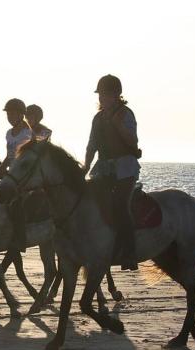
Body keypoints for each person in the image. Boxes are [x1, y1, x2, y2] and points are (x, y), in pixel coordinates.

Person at [83, 75, 141, 271]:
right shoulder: (97, 118)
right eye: (100, 95)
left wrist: (117, 125)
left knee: (120, 204)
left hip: (125, 168)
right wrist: (85, 166)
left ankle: (129, 252)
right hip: (103, 168)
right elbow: (91, 145)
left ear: (117, 95)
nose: (102, 98)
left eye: (106, 95)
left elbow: (133, 141)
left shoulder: (126, 114)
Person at [0, 98, 32, 251]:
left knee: (16, 202)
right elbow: (9, 157)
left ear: (21, 115)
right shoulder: (9, 133)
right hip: (12, 174)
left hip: (23, 174)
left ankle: (20, 239)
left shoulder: (26, 133)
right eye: (7, 114)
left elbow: (23, 159)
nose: (9, 117)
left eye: (12, 114)